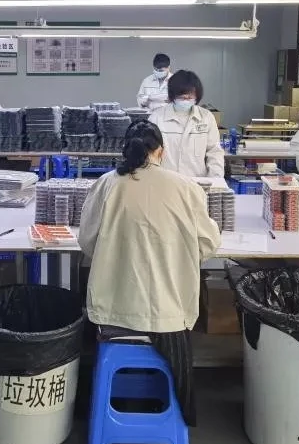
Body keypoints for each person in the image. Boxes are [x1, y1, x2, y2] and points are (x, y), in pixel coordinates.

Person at [79, 121, 222, 426]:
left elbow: (87, 242)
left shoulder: (107, 184)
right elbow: (208, 245)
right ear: (161, 151)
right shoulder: (187, 188)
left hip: (113, 311)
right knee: (175, 323)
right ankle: (174, 413)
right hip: (171, 316)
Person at [148, 69, 224, 178]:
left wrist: (215, 180)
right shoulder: (156, 118)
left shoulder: (206, 117)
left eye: (190, 97)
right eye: (181, 97)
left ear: (197, 96)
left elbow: (214, 152)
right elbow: (149, 154)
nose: (185, 100)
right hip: (166, 182)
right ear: (172, 95)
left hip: (197, 182)